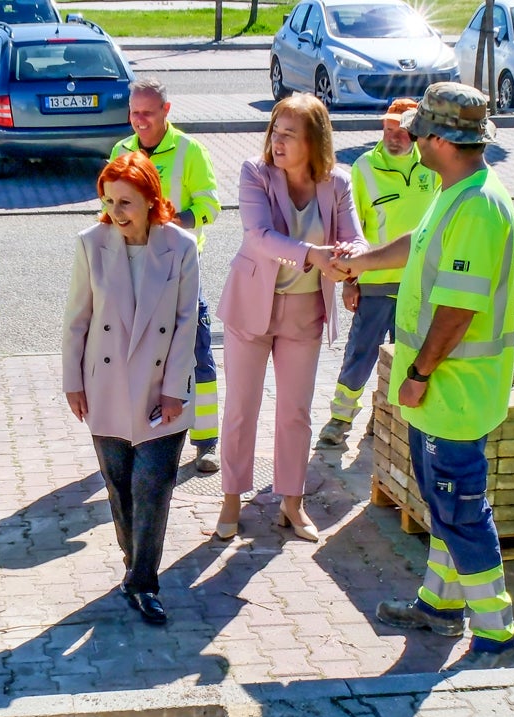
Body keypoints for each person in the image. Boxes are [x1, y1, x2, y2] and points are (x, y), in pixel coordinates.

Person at [335, 82, 514, 671]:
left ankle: (497, 636)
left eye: (418, 133)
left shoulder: (477, 207)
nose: (410, 140)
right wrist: (358, 262)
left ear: (439, 140)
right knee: (443, 504)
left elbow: (458, 309)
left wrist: (416, 373)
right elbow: (416, 246)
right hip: (444, 392)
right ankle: (441, 606)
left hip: (454, 392)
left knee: (461, 510)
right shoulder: (455, 192)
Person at [213, 94, 364, 543]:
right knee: (242, 407)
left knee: (295, 412)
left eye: (289, 134)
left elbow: (353, 238)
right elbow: (259, 237)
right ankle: (230, 498)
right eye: (274, 132)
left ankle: (292, 504)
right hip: (250, 306)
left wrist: (351, 262)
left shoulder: (338, 182)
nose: (277, 142)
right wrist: (314, 255)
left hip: (304, 312)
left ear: (314, 140)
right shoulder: (254, 173)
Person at [63, 153, 200, 626]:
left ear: (150, 200)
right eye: (108, 201)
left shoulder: (181, 246)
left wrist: (177, 388)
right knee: (118, 487)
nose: (116, 211)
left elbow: (187, 324)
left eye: (126, 201)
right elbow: (76, 320)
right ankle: (131, 564)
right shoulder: (91, 244)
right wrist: (72, 381)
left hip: (163, 392)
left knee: (154, 487)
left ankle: (145, 581)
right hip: (105, 387)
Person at [111, 78, 223, 474]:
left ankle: (206, 442)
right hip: (135, 270)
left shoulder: (190, 151)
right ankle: (138, 431)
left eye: (147, 113)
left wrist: (177, 220)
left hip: (180, 273)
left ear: (166, 111)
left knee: (197, 356)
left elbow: (211, 205)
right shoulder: (122, 151)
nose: (139, 121)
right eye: (134, 112)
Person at [317, 98, 439, 447]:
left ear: (415, 133)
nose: (393, 137)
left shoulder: (430, 168)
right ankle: (340, 419)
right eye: (388, 130)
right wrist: (349, 282)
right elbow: (350, 229)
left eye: (400, 131)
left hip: (418, 284)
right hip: (373, 282)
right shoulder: (364, 168)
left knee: (405, 357)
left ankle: (384, 418)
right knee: (361, 352)